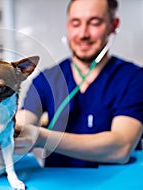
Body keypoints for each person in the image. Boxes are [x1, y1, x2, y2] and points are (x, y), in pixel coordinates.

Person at [15, 0, 143, 167]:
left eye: (94, 23)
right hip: (58, 187)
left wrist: (41, 137)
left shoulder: (133, 78)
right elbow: (22, 125)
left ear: (113, 25)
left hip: (115, 188)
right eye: (75, 24)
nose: (83, 33)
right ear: (67, 26)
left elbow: (121, 148)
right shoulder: (47, 79)